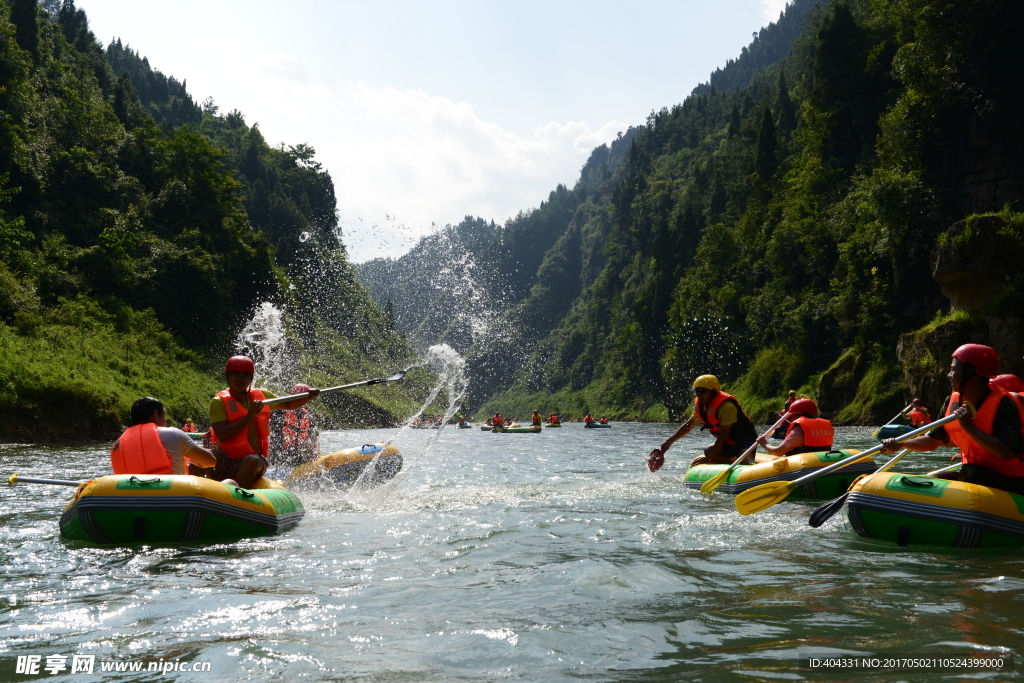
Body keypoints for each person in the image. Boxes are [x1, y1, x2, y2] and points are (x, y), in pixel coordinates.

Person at [879, 344, 1024, 495]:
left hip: (1010, 480)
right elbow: (932, 440)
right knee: (935, 478)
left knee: (970, 472)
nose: (949, 375)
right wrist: (901, 444)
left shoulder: (1004, 404)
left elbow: (1003, 452)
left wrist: (968, 427)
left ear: (972, 372)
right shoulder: (951, 401)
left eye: (954, 370)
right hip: (974, 473)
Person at [209, 356, 320, 488]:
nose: (240, 379)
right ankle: (203, 492)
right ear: (228, 376)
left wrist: (308, 396)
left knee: (251, 460)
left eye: (245, 375)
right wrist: (249, 417)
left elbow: (289, 404)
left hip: (253, 461)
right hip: (226, 458)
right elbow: (222, 435)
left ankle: (236, 494)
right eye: (236, 374)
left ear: (251, 378)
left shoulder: (262, 395)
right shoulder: (218, 402)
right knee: (205, 456)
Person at [647, 374, 758, 471]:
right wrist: (669, 441)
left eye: (702, 391)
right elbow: (688, 425)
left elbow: (723, 436)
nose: (699, 394)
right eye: (696, 391)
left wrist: (709, 459)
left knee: (744, 457)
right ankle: (734, 467)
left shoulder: (726, 406)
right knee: (708, 451)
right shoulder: (701, 406)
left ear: (713, 392)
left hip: (745, 438)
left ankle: (752, 469)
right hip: (729, 443)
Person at [111, 397, 217, 476]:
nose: (166, 421)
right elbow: (211, 461)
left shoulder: (117, 445)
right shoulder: (173, 434)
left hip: (133, 499)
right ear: (155, 415)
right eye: (164, 416)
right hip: (175, 497)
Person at [756, 398, 833, 458]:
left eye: (793, 416)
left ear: (799, 415)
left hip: (804, 466)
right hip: (823, 462)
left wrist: (764, 443)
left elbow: (778, 452)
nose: (791, 419)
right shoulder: (826, 425)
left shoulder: (798, 430)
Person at [268, 383, 321, 469]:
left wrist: (316, 453)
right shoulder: (279, 413)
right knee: (306, 447)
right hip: (279, 455)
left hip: (298, 454)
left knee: (308, 447)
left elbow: (314, 438)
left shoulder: (309, 417)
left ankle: (313, 468)